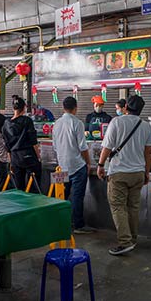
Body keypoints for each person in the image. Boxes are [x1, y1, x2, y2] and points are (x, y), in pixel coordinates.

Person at [97, 95, 151, 256]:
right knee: (133, 207)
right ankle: (132, 240)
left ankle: (124, 242)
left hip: (119, 173)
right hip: (138, 173)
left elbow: (107, 147)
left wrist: (100, 165)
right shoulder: (146, 126)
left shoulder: (116, 122)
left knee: (118, 207)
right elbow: (148, 152)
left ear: (126, 107)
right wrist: (146, 172)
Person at [52, 96, 93, 234]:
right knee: (77, 197)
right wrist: (88, 163)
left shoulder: (56, 124)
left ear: (63, 108)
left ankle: (60, 223)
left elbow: (54, 146)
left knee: (61, 196)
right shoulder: (77, 123)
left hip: (61, 166)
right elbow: (83, 147)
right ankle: (78, 225)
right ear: (75, 108)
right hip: (77, 166)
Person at [3, 96, 41, 193]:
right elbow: (33, 141)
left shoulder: (6, 124)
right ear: (24, 108)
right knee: (34, 184)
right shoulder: (27, 121)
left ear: (13, 108)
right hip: (28, 156)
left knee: (19, 187)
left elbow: (7, 146)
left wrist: (11, 161)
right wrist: (38, 157)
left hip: (15, 158)